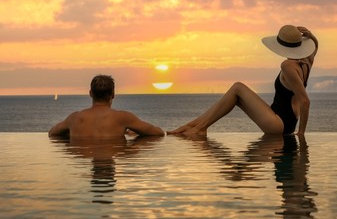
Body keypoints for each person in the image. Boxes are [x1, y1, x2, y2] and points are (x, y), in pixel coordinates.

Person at [169, 25, 318, 136]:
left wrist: (301, 133)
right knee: (236, 98)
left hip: (279, 124)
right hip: (284, 121)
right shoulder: (307, 61)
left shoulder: (287, 66)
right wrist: (311, 37)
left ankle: (198, 127)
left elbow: (305, 101)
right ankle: (196, 126)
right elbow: (315, 46)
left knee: (237, 87)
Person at [48, 75, 165, 138]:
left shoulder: (74, 118)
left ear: (90, 93)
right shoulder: (122, 118)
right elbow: (158, 133)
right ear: (113, 94)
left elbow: (52, 133)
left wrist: (71, 133)